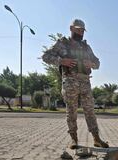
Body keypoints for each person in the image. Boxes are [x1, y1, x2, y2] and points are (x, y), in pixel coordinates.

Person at [42, 19, 109, 149]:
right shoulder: (62, 44)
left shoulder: (86, 47)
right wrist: (61, 61)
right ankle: (74, 139)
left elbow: (97, 63)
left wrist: (92, 64)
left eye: (83, 30)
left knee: (90, 111)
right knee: (71, 111)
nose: (81, 32)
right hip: (70, 82)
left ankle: (96, 138)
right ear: (71, 28)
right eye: (78, 29)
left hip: (85, 82)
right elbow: (46, 56)